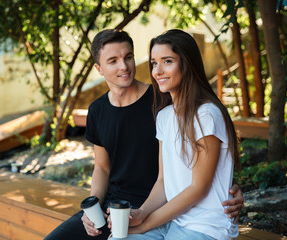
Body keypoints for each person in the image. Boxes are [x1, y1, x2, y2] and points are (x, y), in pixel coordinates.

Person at [44, 29, 243, 240]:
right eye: (113, 61)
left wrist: (230, 188)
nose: (124, 66)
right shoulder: (104, 110)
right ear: (99, 68)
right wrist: (92, 206)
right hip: (121, 208)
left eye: (128, 57)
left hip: (166, 211)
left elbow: (202, 173)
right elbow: (103, 167)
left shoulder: (162, 99)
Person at [110, 29, 240, 240]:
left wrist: (145, 226)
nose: (158, 71)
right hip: (171, 221)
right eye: (154, 63)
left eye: (167, 61)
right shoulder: (165, 116)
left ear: (186, 64)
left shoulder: (206, 114)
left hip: (205, 227)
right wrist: (141, 214)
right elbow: (163, 181)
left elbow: (199, 188)